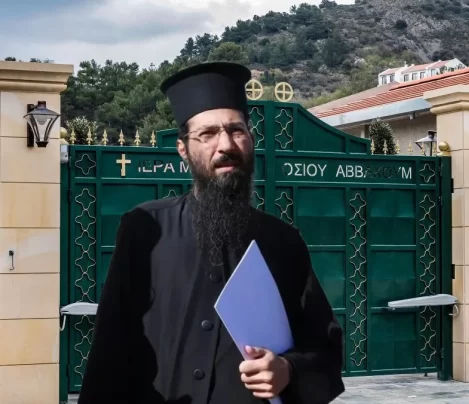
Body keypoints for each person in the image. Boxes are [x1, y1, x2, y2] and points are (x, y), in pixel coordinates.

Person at [78, 62, 345, 404]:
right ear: (183, 149)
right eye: (207, 134)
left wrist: (288, 369)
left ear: (251, 139)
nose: (226, 145)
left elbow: (325, 350)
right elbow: (109, 351)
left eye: (237, 130)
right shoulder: (144, 231)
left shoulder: (283, 242)